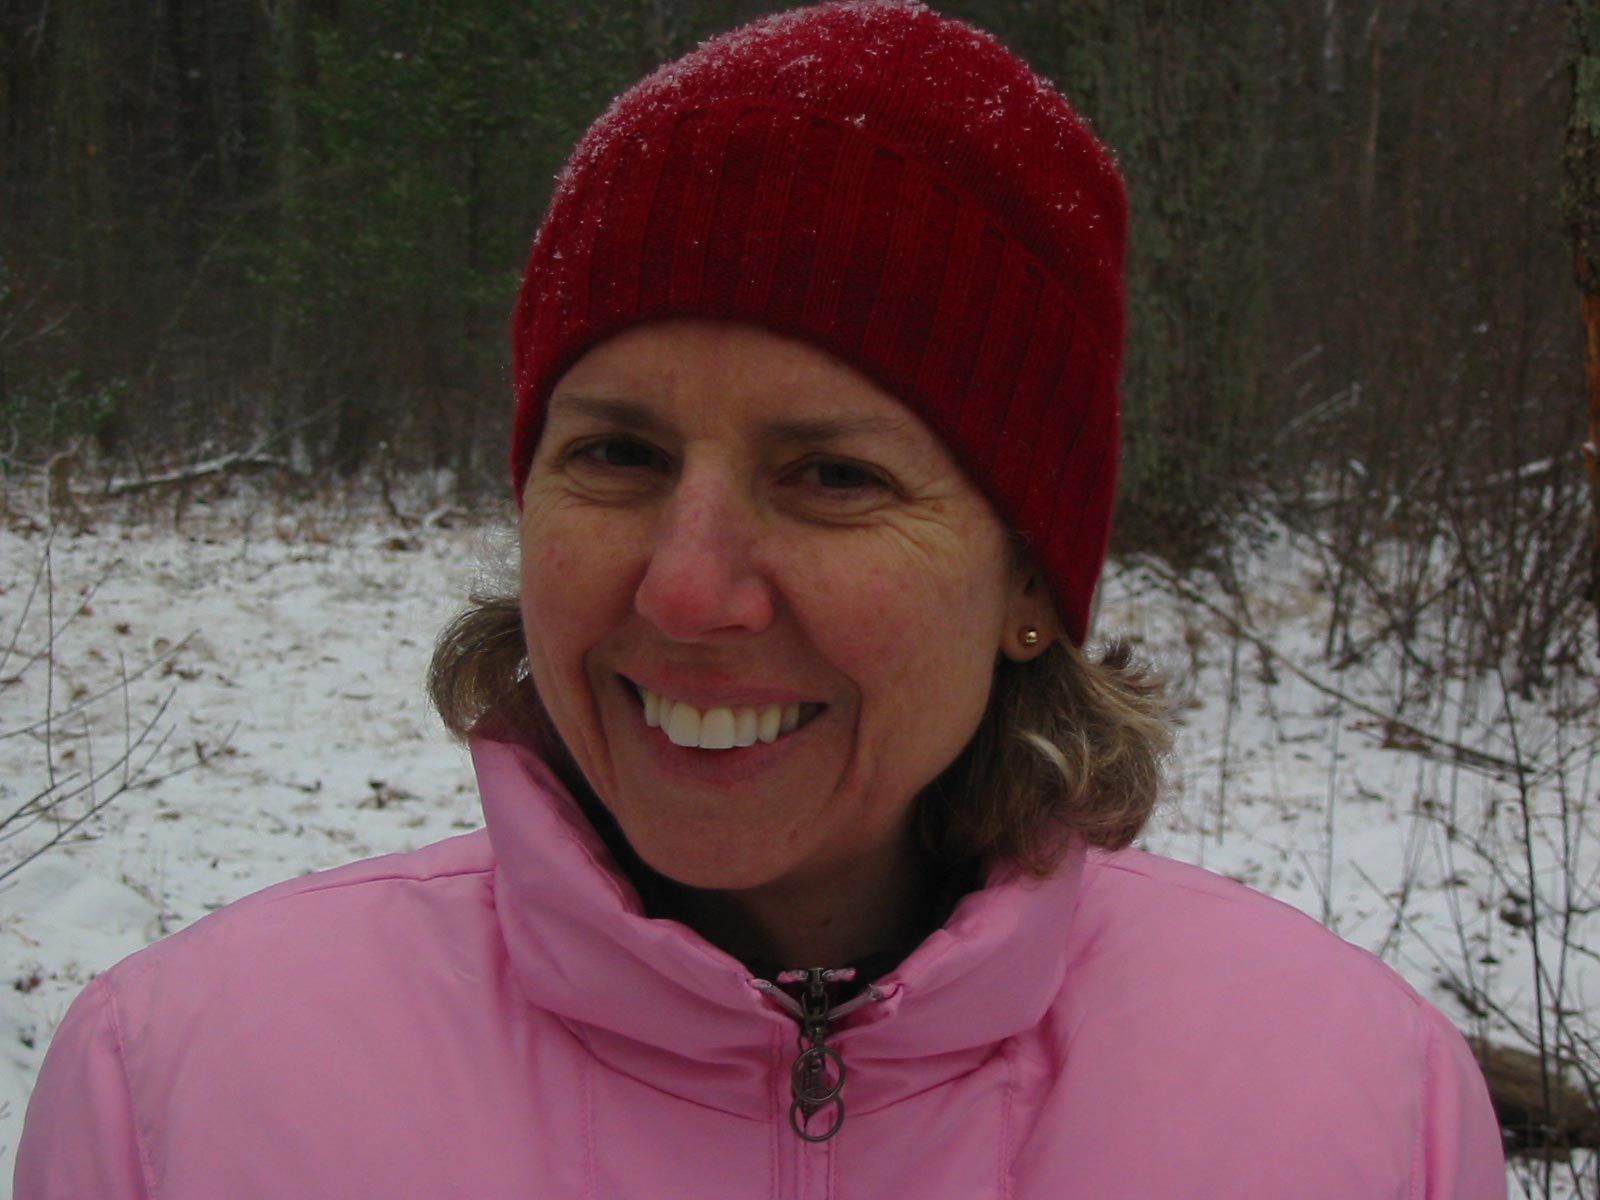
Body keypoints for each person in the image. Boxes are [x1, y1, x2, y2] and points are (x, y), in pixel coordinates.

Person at [17, 3, 1505, 1196]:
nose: (689, 585)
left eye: (834, 477)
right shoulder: (185, 1093)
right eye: (615, 453)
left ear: (1031, 582)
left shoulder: (1359, 1111)